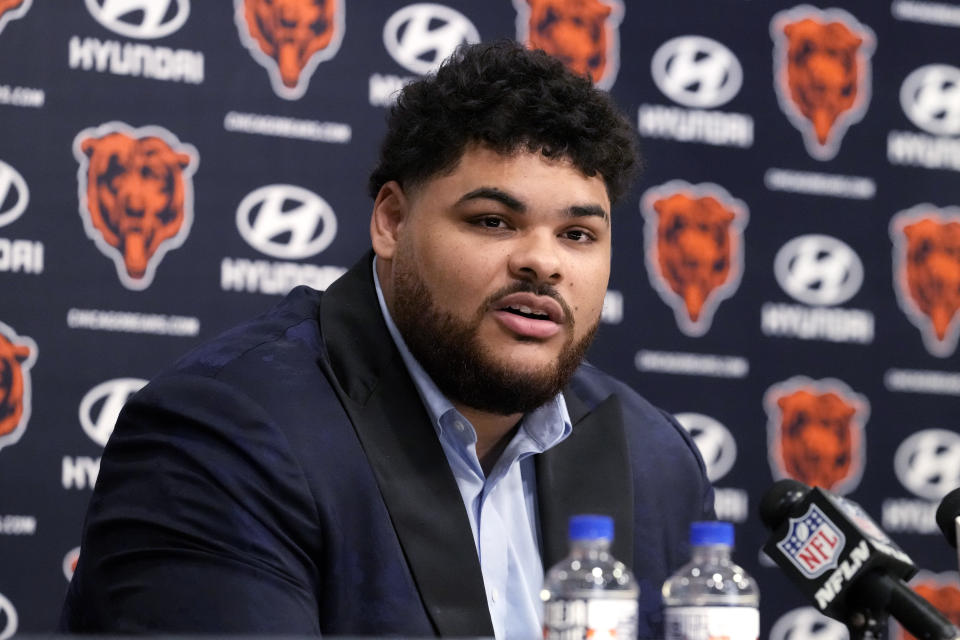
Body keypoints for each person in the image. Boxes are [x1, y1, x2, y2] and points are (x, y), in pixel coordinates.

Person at [60, 40, 714, 639]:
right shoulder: (223, 435)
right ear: (392, 221)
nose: (543, 263)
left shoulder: (655, 460)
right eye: (493, 220)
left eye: (578, 235)